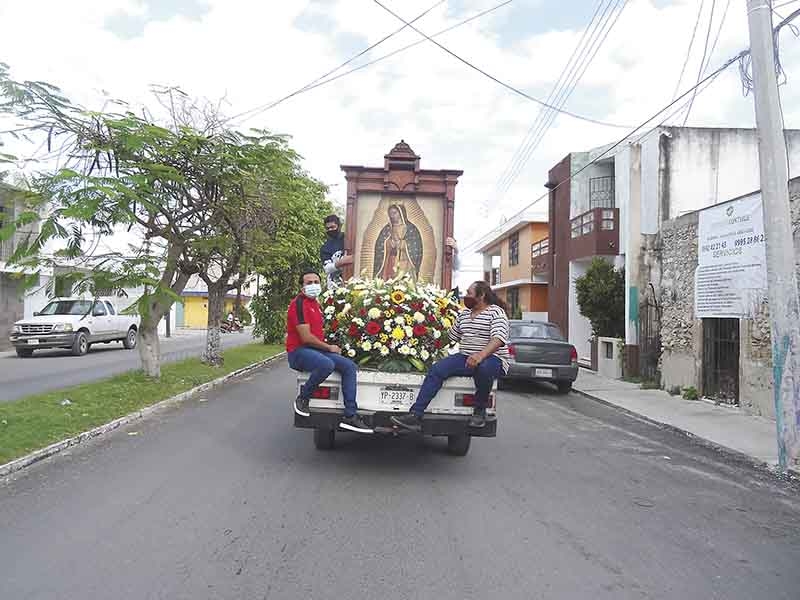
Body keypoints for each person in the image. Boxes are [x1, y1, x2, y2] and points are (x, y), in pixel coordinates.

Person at [391, 280, 509, 431]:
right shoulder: (465, 314)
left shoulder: (496, 312)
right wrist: (426, 342)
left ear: (482, 295)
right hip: (466, 357)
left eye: (469, 293)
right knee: (437, 370)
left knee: (484, 369)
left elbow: (498, 339)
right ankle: (415, 415)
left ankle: (479, 411)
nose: (466, 296)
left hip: (493, 359)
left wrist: (481, 356)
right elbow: (451, 337)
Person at [287, 269, 373, 434]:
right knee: (326, 364)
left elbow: (318, 333)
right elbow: (305, 337)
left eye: (316, 282)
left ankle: (350, 415)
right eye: (309, 283)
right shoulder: (298, 304)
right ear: (302, 288)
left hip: (315, 350)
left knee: (349, 366)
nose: (313, 285)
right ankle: (303, 398)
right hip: (299, 352)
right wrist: (329, 348)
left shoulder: (316, 304)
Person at [374, 204, 423, 280]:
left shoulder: (410, 228)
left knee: (404, 281)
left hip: (405, 261)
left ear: (401, 213)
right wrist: (389, 243)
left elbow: (416, 246)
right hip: (391, 260)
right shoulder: (387, 229)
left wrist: (402, 244)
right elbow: (379, 245)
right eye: (390, 214)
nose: (392, 216)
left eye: (394, 213)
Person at [320, 215, 352, 288]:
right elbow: (327, 269)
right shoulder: (325, 247)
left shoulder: (350, 238)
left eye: (333, 227)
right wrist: (342, 262)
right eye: (328, 228)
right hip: (335, 286)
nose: (330, 230)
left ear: (339, 226)